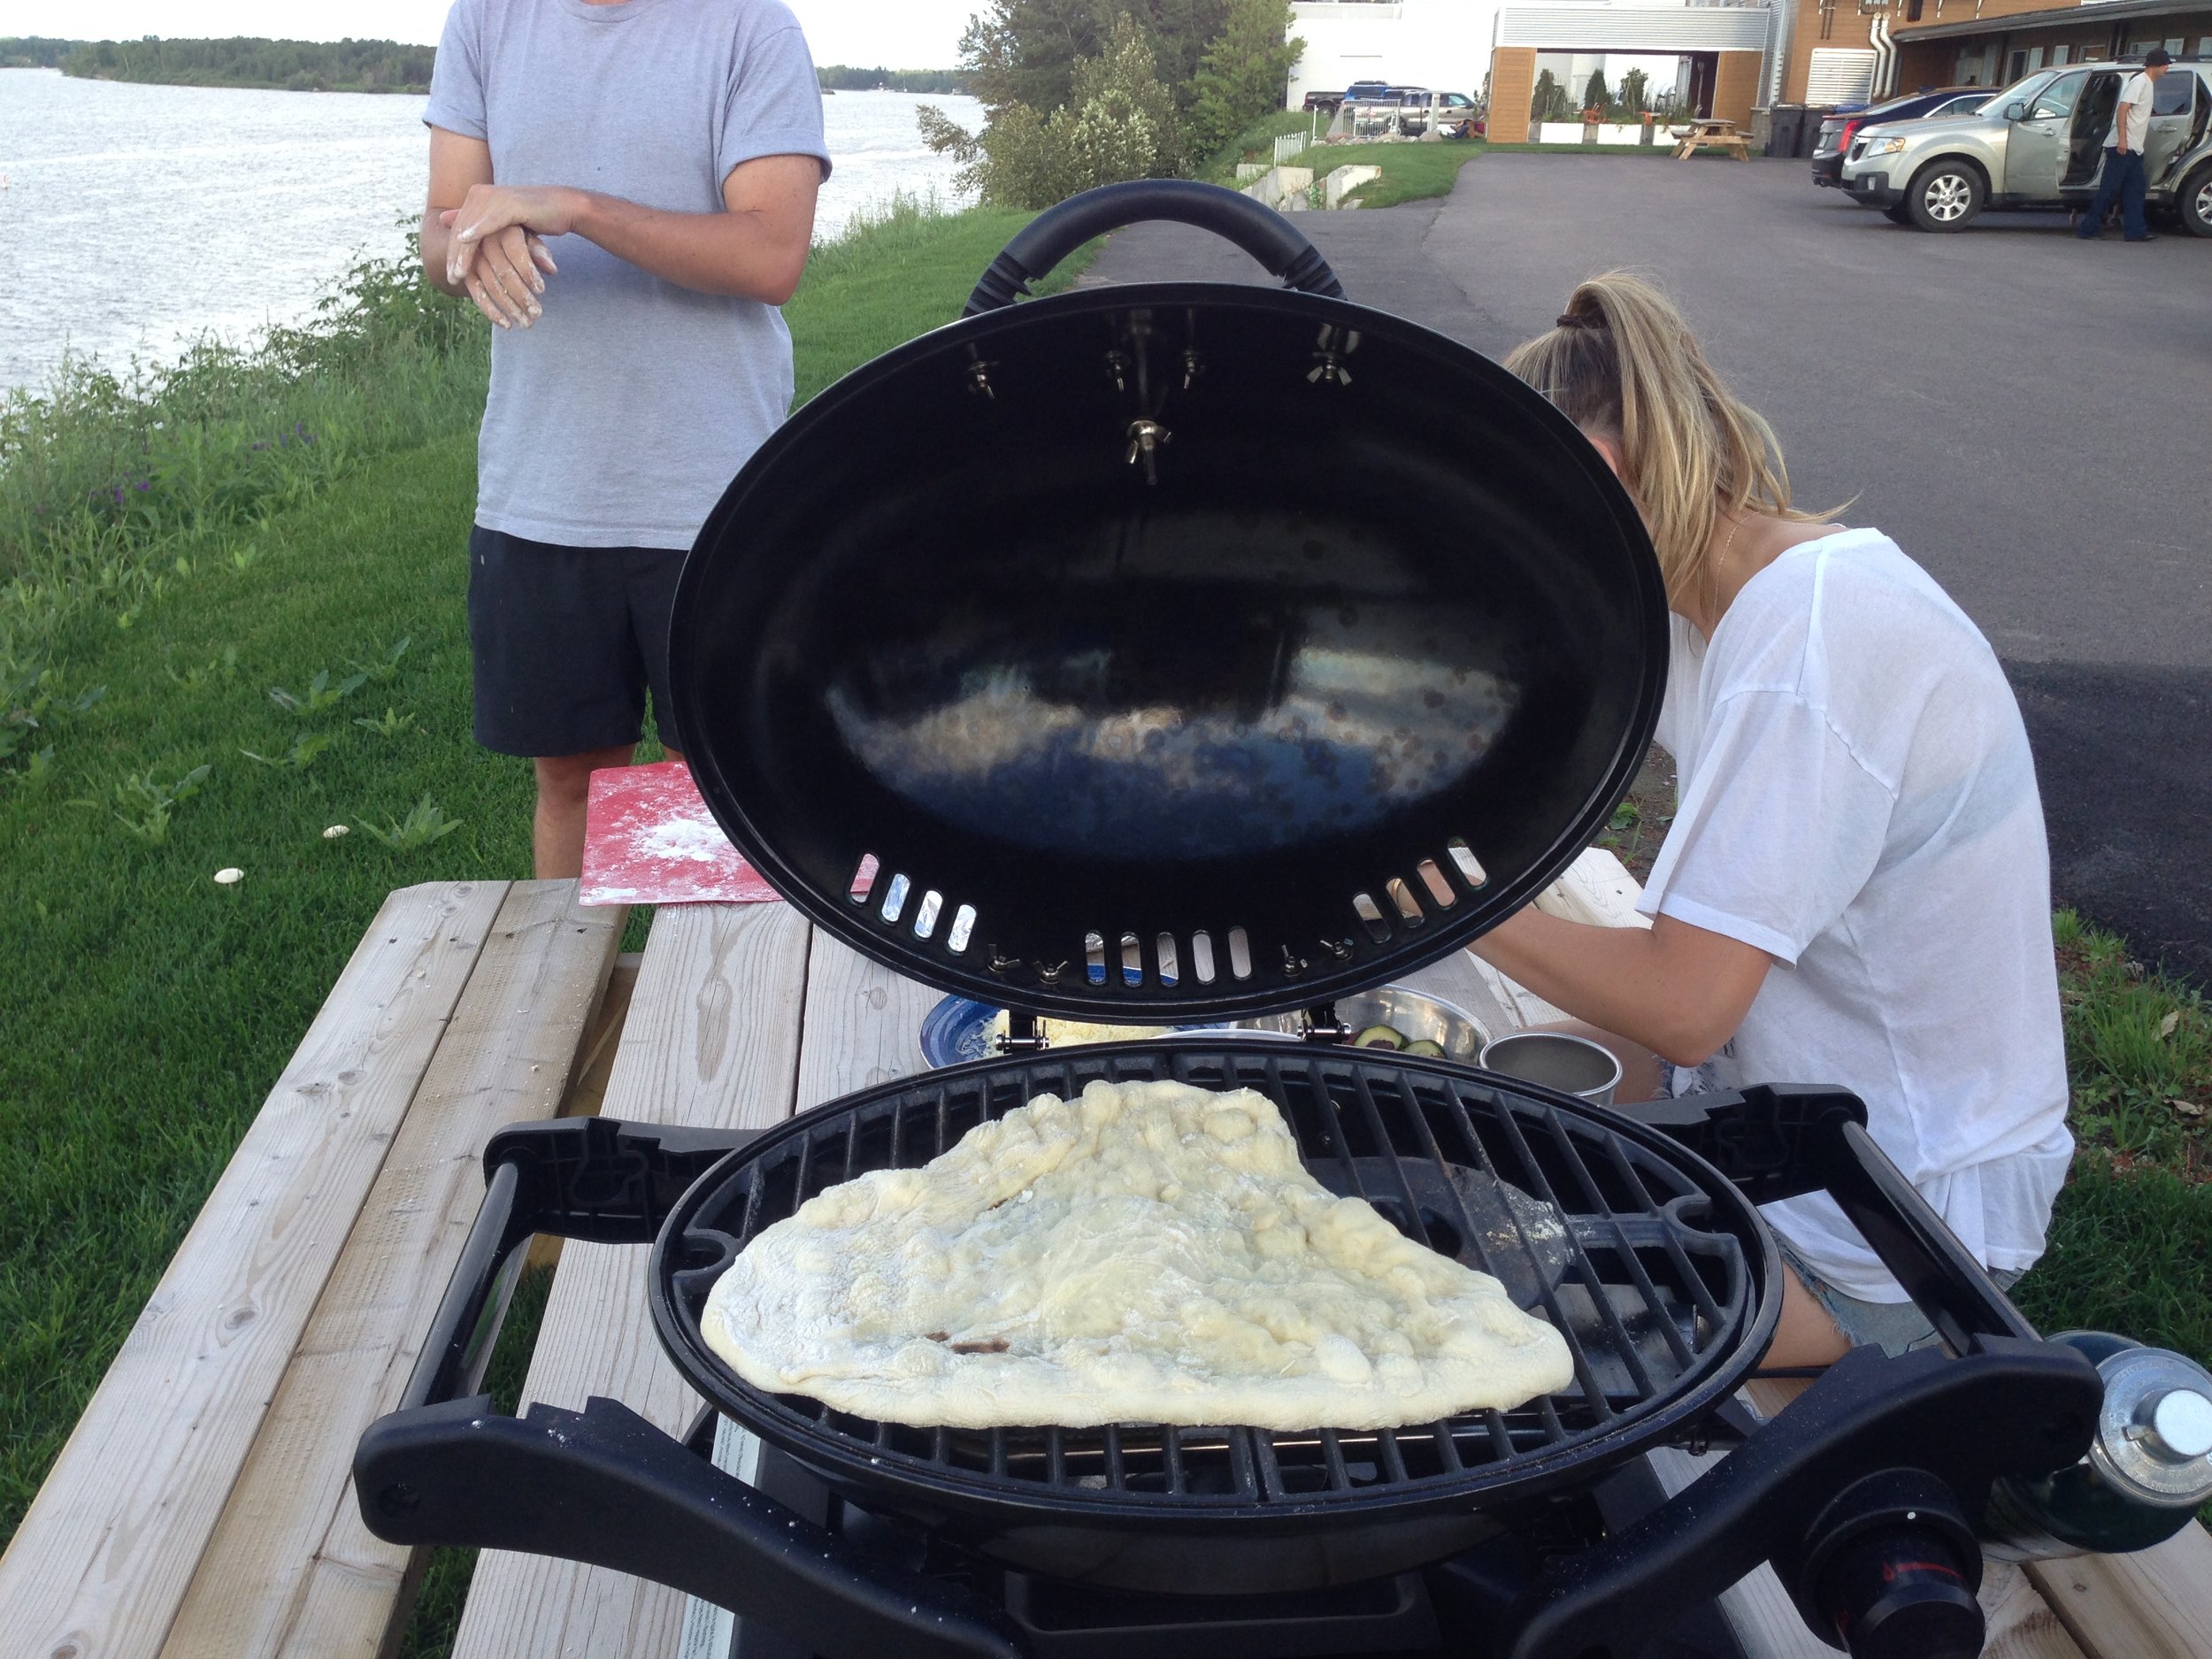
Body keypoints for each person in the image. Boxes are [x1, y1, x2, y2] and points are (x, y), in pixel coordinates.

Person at [1474, 274, 2072, 1369]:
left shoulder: (1810, 639)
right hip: (1792, 1106)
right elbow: (1527, 708)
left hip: (1891, 1220)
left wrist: (1444, 907)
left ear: (1618, 470)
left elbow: (1686, 1005)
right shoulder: (1715, 612)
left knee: (1500, 1333)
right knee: (1468, 1107)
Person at [421, 0, 830, 877]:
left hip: (713, 493)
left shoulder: (751, 28)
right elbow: (438, 230)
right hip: (541, 487)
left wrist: (573, 206)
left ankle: (717, 1010)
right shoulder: (486, 20)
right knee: (570, 780)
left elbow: (771, 257)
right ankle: (584, 1011)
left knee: (718, 786)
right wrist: (472, 247)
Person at [2077, 48, 2170, 243]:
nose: (2167, 68)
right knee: (2109, 189)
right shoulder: (2139, 82)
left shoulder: (2149, 84)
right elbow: (2122, 109)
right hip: (2123, 146)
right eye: (2165, 64)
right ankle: (2088, 228)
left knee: (2135, 190)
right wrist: (2122, 139)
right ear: (2157, 65)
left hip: (2135, 148)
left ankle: (2136, 231)